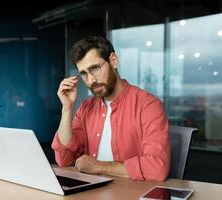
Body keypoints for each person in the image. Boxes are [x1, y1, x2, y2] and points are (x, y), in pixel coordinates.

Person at [51, 36, 171, 181]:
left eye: (95, 69)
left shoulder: (148, 105)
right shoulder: (85, 108)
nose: (91, 81)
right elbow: (65, 159)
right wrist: (67, 108)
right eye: (84, 74)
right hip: (91, 192)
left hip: (130, 193)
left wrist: (101, 167)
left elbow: (157, 169)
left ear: (113, 61)